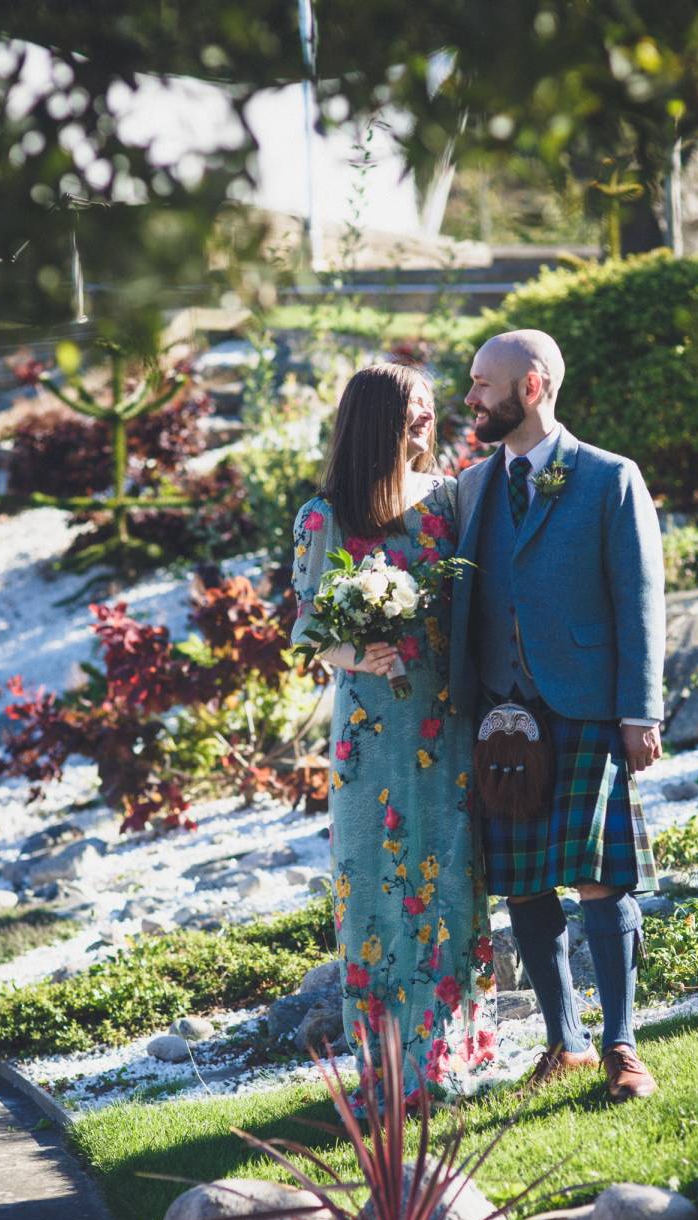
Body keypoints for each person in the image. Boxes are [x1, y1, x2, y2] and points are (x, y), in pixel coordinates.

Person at [449, 329, 665, 1102]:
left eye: (481, 383)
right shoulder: (472, 487)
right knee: (524, 888)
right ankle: (563, 1044)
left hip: (584, 706)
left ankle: (622, 1046)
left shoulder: (609, 478)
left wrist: (641, 710)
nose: (469, 398)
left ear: (531, 386)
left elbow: (641, 599)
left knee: (602, 880)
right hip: (501, 715)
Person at [291, 363, 496, 1111]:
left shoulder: (448, 500)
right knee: (375, 889)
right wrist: (357, 651)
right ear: (374, 419)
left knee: (448, 881)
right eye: (410, 411)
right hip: (371, 734)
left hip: (447, 721)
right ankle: (384, 1074)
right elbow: (310, 629)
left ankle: (447, 1061)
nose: (423, 422)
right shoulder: (327, 515)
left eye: (427, 410)